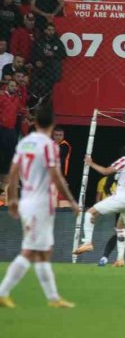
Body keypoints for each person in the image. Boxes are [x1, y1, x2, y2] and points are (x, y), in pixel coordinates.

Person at [0, 105, 80, 309]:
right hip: (40, 204)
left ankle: (53, 298)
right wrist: (71, 200)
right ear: (52, 125)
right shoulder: (49, 146)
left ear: (34, 123)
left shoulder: (24, 143)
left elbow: (13, 172)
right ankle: (2, 292)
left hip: (29, 201)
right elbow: (56, 176)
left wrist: (13, 199)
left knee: (44, 252)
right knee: (29, 251)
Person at [75, 138, 125, 268]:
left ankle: (87, 242)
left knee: (90, 213)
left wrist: (91, 163)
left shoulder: (124, 160)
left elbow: (106, 172)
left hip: (120, 199)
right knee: (120, 228)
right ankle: (120, 259)